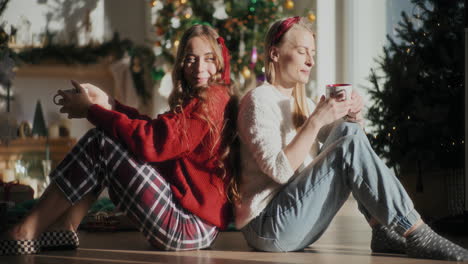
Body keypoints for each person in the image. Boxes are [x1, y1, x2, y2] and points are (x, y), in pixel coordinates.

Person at [234, 16, 468, 261]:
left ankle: (380, 228)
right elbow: (279, 171)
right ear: (274, 53)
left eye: (312, 53)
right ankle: (417, 233)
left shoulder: (303, 103)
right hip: (268, 228)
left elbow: (349, 138)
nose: (311, 61)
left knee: (351, 131)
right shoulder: (258, 101)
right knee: (348, 143)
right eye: (302, 51)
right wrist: (316, 120)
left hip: (295, 219)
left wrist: (353, 114)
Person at [0, 24, 237, 255]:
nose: (199, 67)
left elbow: (152, 143)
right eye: (191, 58)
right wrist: (109, 104)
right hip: (195, 223)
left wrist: (93, 111)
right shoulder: (204, 97)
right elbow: (156, 130)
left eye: (208, 58)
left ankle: (26, 231)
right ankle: (65, 227)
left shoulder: (211, 100)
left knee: (101, 142)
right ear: (182, 65)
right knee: (104, 141)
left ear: (220, 61)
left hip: (189, 225)